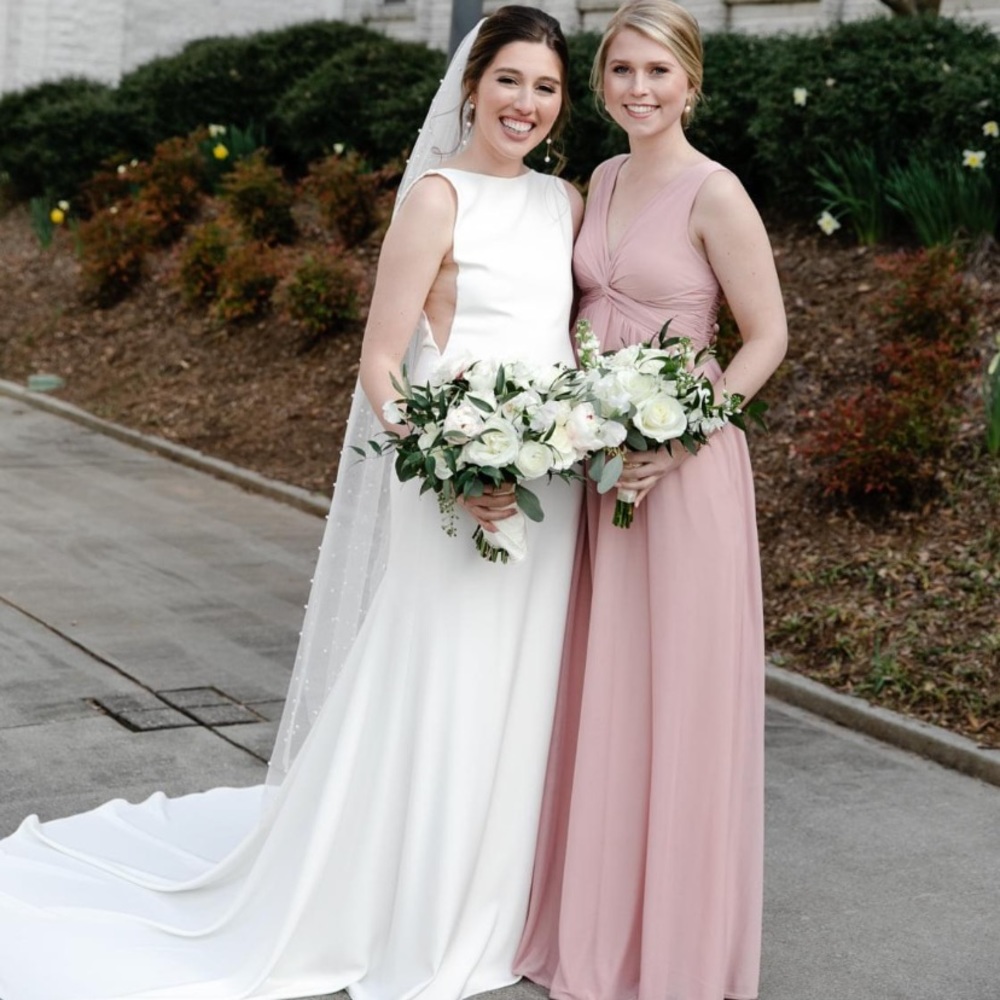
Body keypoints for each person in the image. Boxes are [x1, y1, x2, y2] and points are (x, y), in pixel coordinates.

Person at [0, 8, 583, 999]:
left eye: (546, 87)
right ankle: (407, 903)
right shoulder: (437, 200)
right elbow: (382, 367)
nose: (526, 104)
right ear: (473, 83)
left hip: (548, 487)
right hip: (450, 483)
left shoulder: (565, 203)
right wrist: (452, 460)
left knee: (519, 693)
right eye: (511, 81)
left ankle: (495, 898)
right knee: (440, 679)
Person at [513, 2, 788, 999]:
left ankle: (672, 953)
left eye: (657, 72)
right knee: (606, 692)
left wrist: (674, 436)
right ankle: (593, 929)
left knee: (677, 699)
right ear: (601, 84)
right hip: (601, 466)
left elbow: (764, 338)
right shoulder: (603, 179)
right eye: (621, 70)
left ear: (691, 83)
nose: (639, 88)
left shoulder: (716, 193)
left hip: (683, 473)